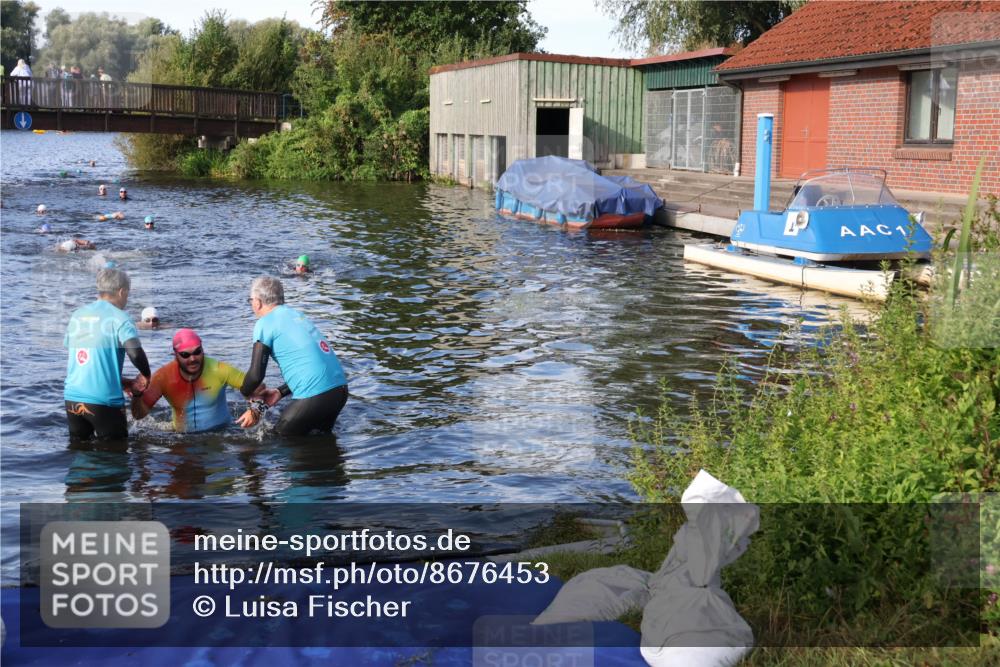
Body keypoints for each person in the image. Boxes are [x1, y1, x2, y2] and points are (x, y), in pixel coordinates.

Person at [239, 276, 348, 435]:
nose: (252, 305)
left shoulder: (265, 323)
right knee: (321, 445)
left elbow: (255, 376)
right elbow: (313, 364)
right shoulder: (297, 316)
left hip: (316, 395)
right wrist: (280, 391)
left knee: (278, 443)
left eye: (250, 300)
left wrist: (246, 394)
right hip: (339, 391)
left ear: (258, 302)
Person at [132, 329, 277, 433]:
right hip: (182, 438)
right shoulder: (163, 377)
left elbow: (258, 387)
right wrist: (137, 395)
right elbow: (139, 415)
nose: (193, 358)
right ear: (175, 355)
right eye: (185, 355)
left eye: (197, 352)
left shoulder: (218, 369)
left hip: (221, 433)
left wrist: (255, 409)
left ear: (203, 349)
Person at [64, 268, 151, 440]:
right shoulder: (121, 318)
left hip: (72, 398)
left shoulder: (77, 315)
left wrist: (123, 382)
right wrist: (146, 374)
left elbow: (88, 365)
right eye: (127, 294)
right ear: (122, 292)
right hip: (104, 402)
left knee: (80, 453)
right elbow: (135, 353)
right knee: (115, 457)